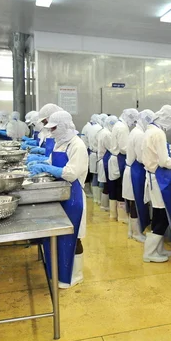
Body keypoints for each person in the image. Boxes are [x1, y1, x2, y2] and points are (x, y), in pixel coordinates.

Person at [29, 111, 88, 288]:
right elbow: (53, 161)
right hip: (60, 193)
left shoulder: (77, 145)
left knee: (74, 236)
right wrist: (41, 163)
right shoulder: (60, 142)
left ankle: (75, 275)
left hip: (73, 194)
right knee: (60, 235)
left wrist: (47, 167)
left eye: (54, 128)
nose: (51, 132)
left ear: (63, 126)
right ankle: (60, 273)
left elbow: (70, 174)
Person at [143, 105, 171, 263]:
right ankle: (149, 252)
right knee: (162, 216)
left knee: (159, 215)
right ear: (167, 118)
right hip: (159, 179)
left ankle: (158, 249)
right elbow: (163, 161)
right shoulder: (158, 133)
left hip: (153, 176)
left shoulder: (150, 130)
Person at [123, 109, 156, 243]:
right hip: (135, 171)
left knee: (132, 202)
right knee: (136, 202)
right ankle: (136, 232)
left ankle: (132, 231)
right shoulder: (139, 134)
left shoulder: (134, 131)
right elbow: (142, 158)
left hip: (130, 169)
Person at [109, 109, 139, 223]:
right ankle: (121, 216)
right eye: (134, 120)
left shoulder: (119, 124)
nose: (133, 123)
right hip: (119, 158)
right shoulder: (122, 127)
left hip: (115, 158)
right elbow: (123, 148)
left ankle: (114, 214)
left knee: (116, 186)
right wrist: (135, 151)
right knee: (119, 187)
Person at [103, 115, 119, 219]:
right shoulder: (107, 134)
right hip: (109, 158)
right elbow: (113, 147)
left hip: (106, 158)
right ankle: (112, 212)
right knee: (111, 185)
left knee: (108, 184)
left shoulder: (105, 132)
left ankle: (107, 207)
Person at [86, 114, 103, 202]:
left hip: (92, 153)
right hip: (97, 154)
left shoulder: (91, 128)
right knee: (98, 176)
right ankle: (98, 199)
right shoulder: (99, 129)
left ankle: (95, 198)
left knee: (94, 175)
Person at [95, 114, 111, 210]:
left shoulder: (102, 131)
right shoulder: (107, 134)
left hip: (101, 158)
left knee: (104, 183)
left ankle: (102, 202)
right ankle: (104, 205)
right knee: (106, 184)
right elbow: (111, 147)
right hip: (105, 159)